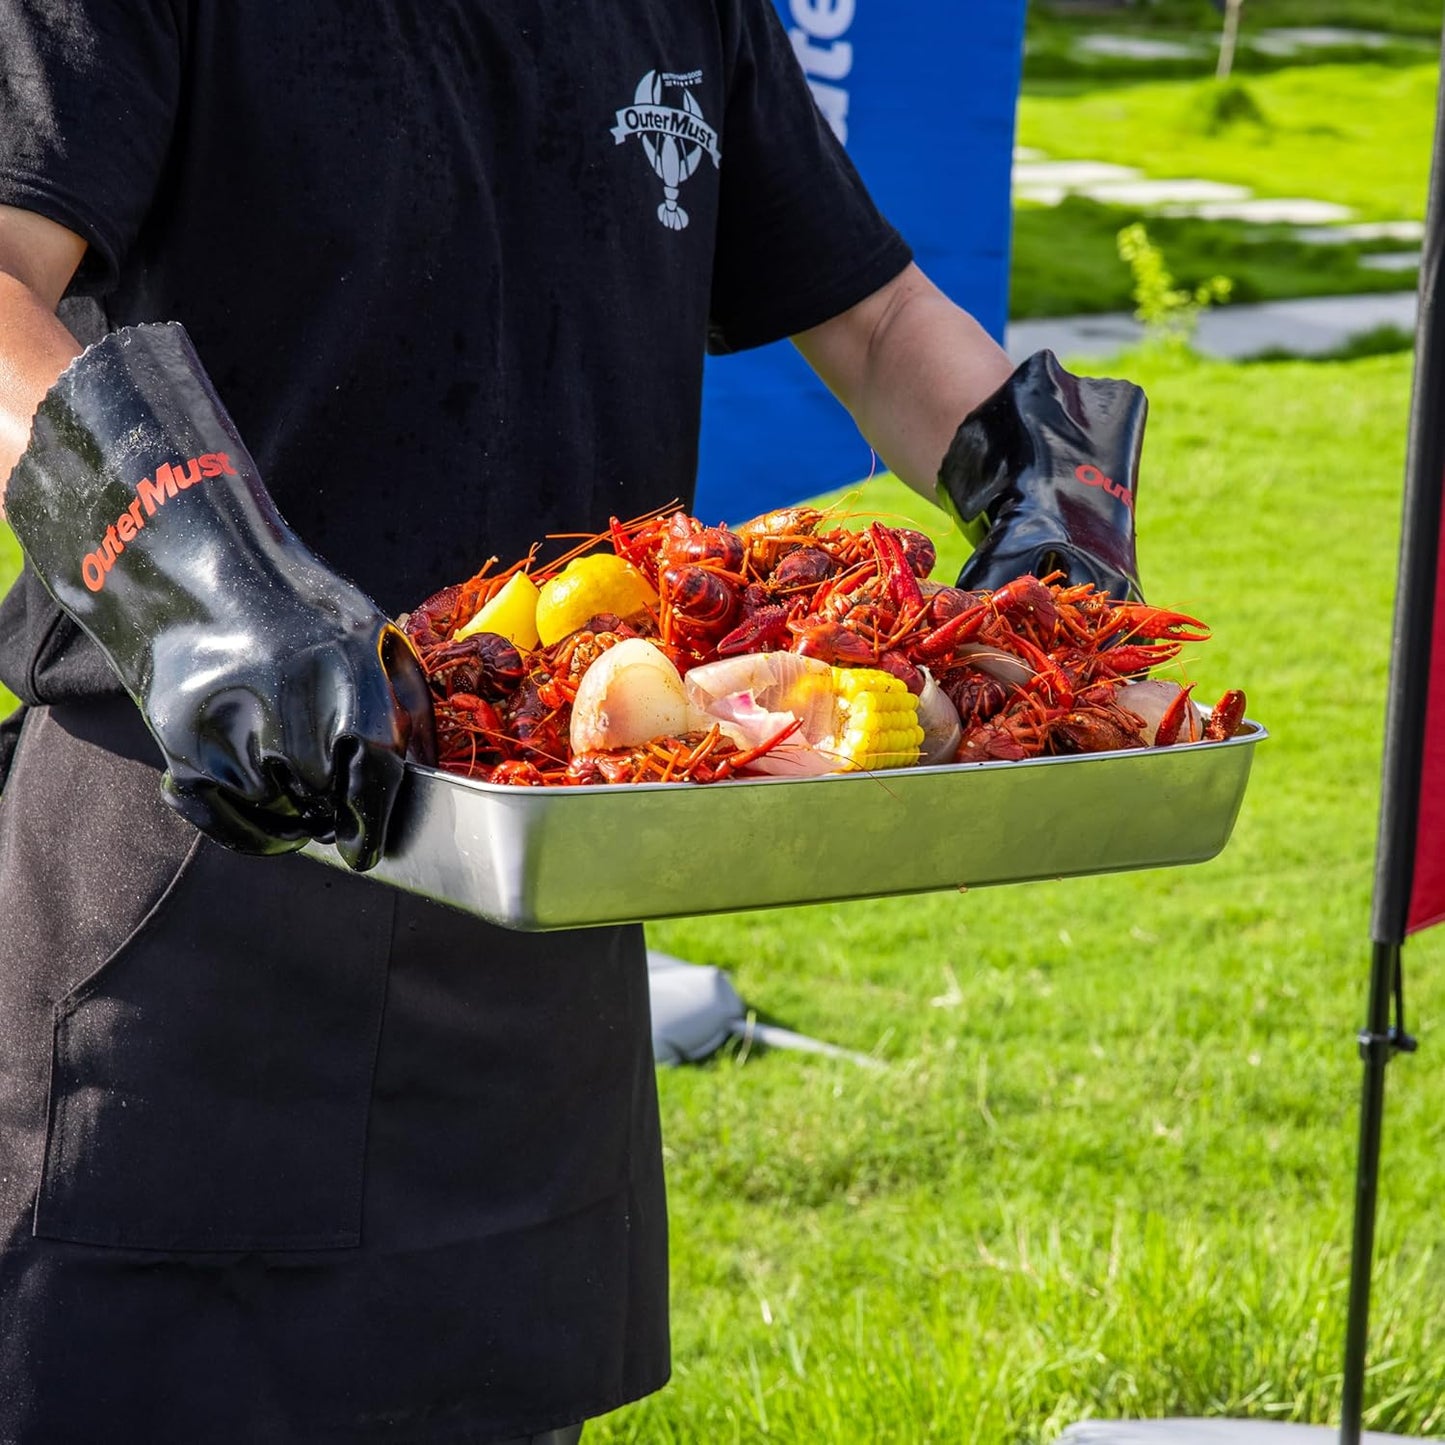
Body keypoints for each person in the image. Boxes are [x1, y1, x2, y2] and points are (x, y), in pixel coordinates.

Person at [0, 3, 1144, 1441]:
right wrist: (209, 589)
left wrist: (1047, 474)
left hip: (540, 916)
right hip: (196, 899)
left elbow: (872, 313)